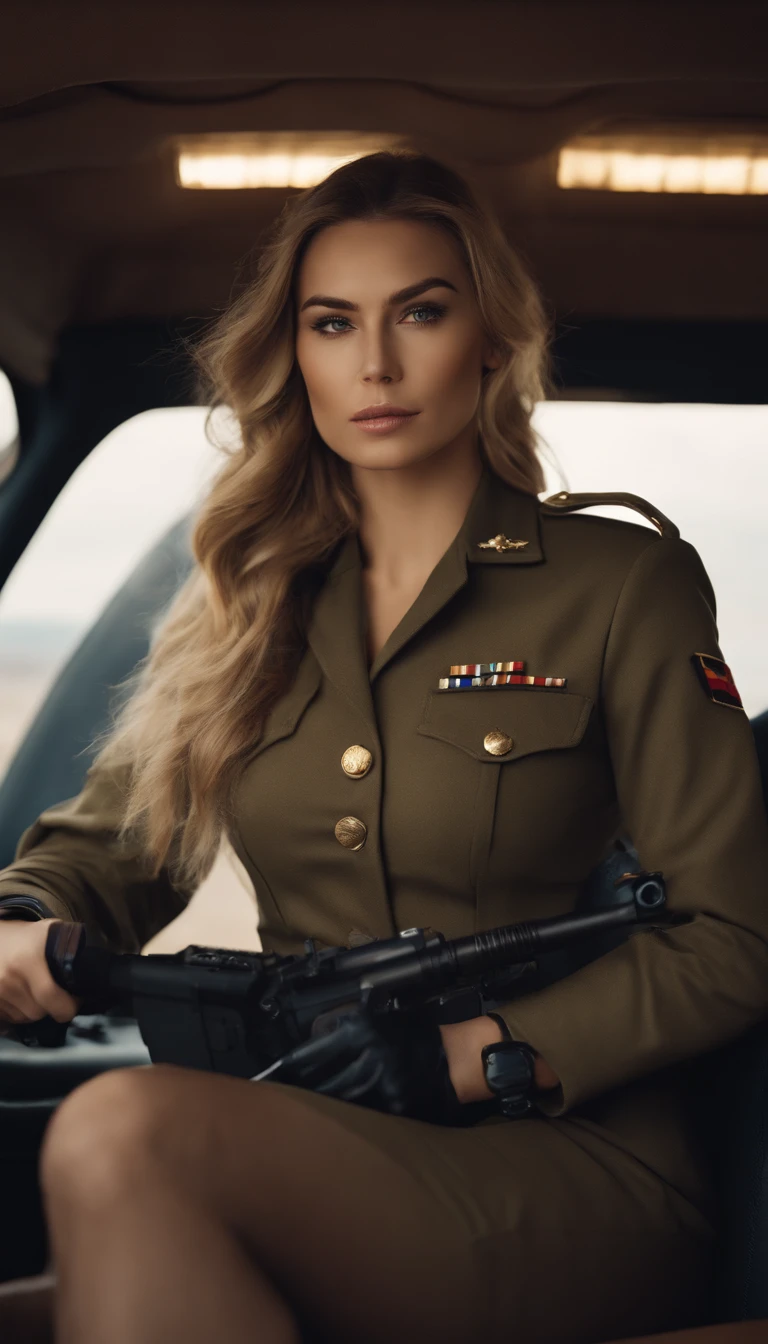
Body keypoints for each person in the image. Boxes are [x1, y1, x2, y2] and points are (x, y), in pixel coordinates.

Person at [0, 149, 767, 1344]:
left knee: (122, 1129)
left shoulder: (623, 585)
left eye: (420, 311)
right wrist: (24, 914)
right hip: (319, 1133)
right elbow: (115, 843)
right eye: (331, 322)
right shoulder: (247, 603)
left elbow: (730, 937)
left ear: (494, 340)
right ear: (294, 354)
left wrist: (482, 1058)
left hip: (567, 1164)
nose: (375, 363)